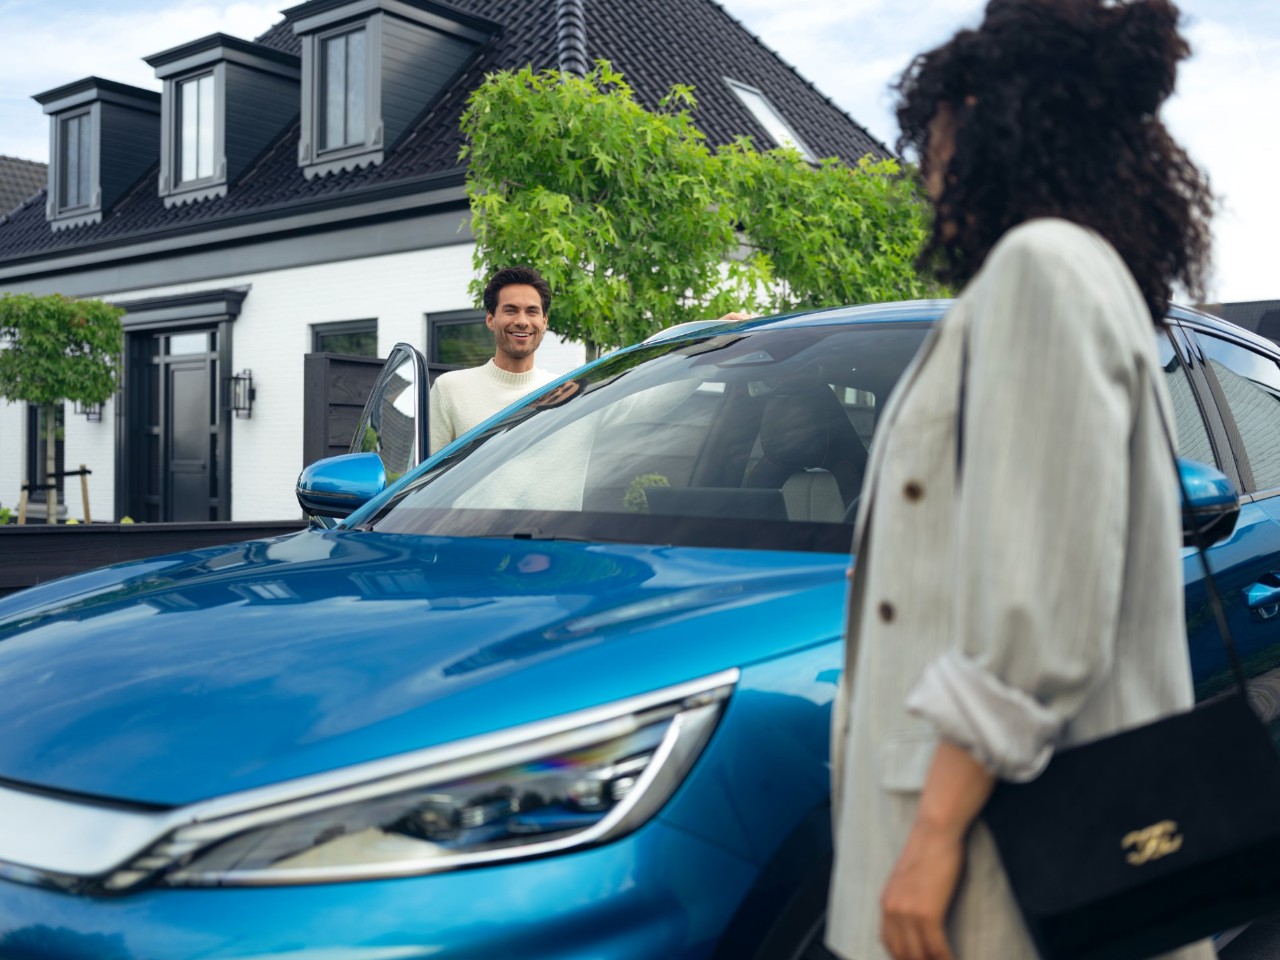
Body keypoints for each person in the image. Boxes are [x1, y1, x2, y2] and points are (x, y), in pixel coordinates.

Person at [825, 2, 1215, 959]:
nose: (924, 167)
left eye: (933, 132)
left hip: (1002, 863)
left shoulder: (1041, 271)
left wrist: (931, 839)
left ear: (990, 119)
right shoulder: (1088, 277)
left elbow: (1042, 615)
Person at [428, 266, 557, 454]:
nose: (522, 321)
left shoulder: (566, 392)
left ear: (544, 321)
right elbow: (425, 478)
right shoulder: (450, 390)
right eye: (511, 311)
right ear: (490, 320)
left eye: (532, 311)